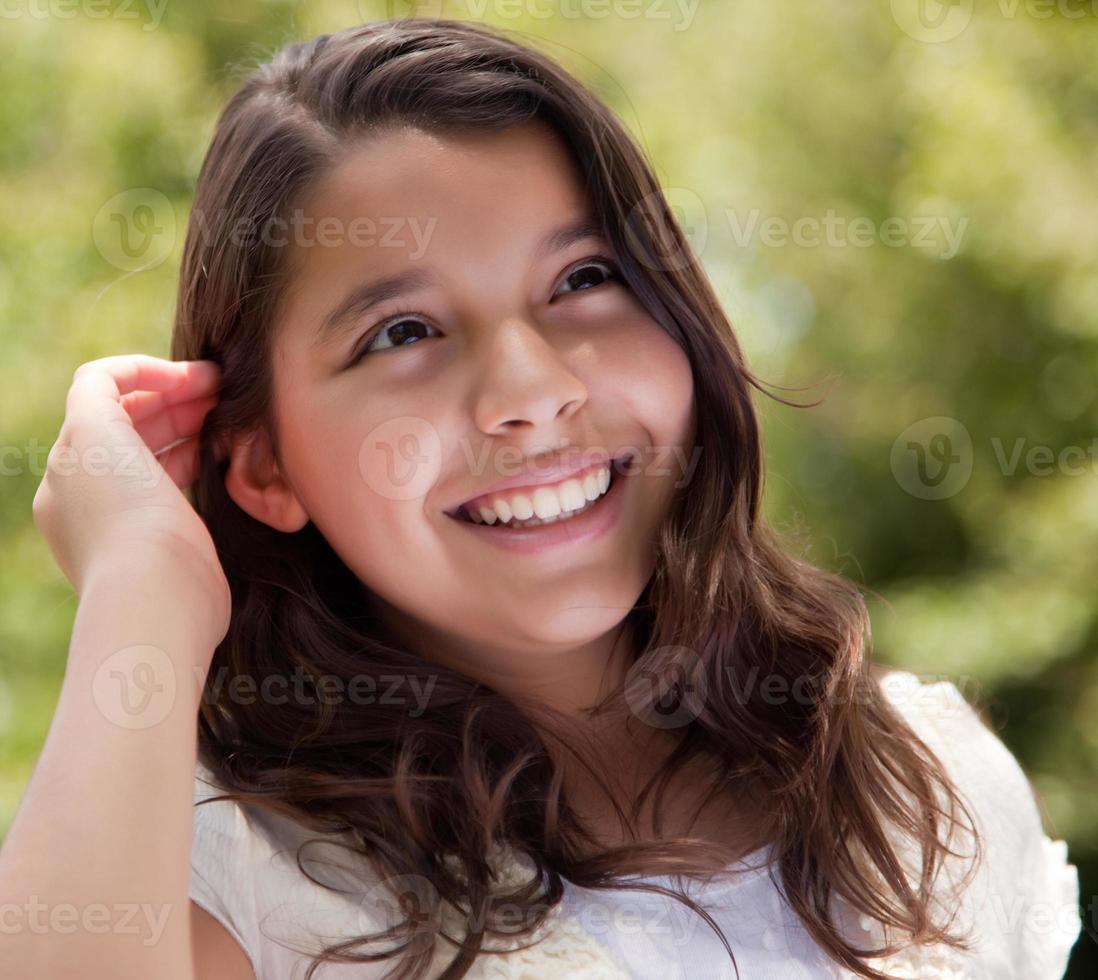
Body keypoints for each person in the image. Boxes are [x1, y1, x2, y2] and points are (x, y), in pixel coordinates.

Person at [3, 17, 1081, 980]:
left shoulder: (925, 784)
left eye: (581, 280)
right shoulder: (232, 875)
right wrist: (139, 579)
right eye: (403, 333)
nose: (535, 392)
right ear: (265, 465)